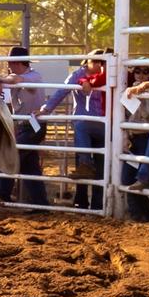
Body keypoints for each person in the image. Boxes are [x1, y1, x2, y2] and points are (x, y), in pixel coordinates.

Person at [36, 48, 108, 210]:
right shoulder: (77, 76)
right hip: (84, 124)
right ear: (87, 62)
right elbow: (62, 91)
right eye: (96, 61)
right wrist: (46, 109)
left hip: (103, 125)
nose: (99, 64)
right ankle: (81, 201)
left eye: (102, 61)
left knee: (101, 166)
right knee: (83, 166)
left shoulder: (108, 74)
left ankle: (98, 203)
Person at [0, 46, 49, 208]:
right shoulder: (15, 77)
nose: (9, 66)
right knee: (30, 167)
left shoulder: (33, 76)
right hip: (25, 125)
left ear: (17, 63)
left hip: (34, 125)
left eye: (11, 62)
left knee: (11, 153)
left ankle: (3, 194)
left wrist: (0, 80)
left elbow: (15, 80)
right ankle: (41, 204)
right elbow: (8, 99)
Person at [123, 71, 149, 218]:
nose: (141, 75)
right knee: (127, 178)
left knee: (142, 178)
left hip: (147, 136)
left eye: (145, 72)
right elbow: (125, 115)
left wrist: (145, 95)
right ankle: (141, 215)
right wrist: (125, 135)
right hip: (134, 137)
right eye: (138, 72)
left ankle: (144, 215)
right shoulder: (129, 90)